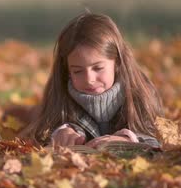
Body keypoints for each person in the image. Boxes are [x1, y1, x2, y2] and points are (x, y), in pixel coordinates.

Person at [23, 12, 162, 148]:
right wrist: (60, 132)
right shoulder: (60, 98)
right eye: (77, 71)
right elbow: (40, 133)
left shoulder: (140, 95)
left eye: (98, 68)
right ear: (67, 70)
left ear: (117, 62)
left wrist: (128, 140)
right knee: (27, 112)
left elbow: (157, 139)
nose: (89, 79)